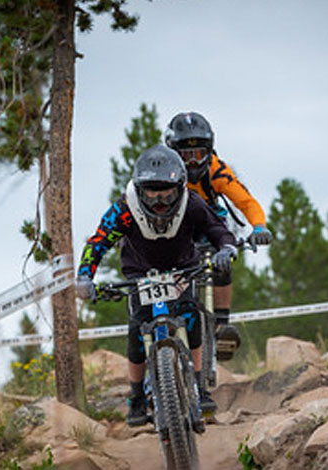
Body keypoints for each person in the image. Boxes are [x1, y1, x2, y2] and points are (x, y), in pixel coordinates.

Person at [74, 144, 237, 427]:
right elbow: (97, 242)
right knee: (137, 331)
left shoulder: (192, 203)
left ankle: (199, 387)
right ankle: (136, 398)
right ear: (139, 189)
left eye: (167, 193)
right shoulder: (124, 208)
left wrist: (226, 250)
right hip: (140, 275)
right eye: (152, 193)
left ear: (179, 188)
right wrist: (85, 276)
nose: (160, 202)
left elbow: (218, 230)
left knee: (191, 318)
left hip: (183, 270)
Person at [164, 111, 272, 360]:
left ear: (209, 151)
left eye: (199, 154)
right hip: (174, 227)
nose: (192, 162)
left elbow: (245, 202)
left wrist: (258, 227)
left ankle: (221, 324)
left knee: (222, 259)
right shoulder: (162, 170)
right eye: (185, 155)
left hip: (208, 223)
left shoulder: (216, 169)